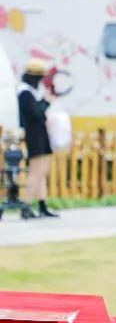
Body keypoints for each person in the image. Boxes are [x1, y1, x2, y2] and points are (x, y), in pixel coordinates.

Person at [16, 59, 59, 220]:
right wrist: (46, 102)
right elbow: (36, 114)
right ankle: (26, 205)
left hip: (40, 134)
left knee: (42, 170)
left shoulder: (29, 92)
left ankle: (42, 204)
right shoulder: (25, 93)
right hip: (33, 135)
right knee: (35, 171)